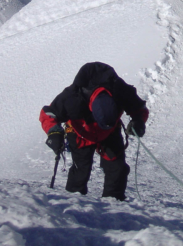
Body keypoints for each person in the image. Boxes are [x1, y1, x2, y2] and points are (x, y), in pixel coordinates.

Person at [39, 62, 149, 201]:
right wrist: (54, 132)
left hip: (110, 132)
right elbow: (48, 113)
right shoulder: (71, 97)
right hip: (80, 133)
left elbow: (140, 109)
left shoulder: (121, 91)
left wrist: (138, 122)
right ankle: (73, 204)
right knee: (81, 170)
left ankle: (114, 204)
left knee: (117, 168)